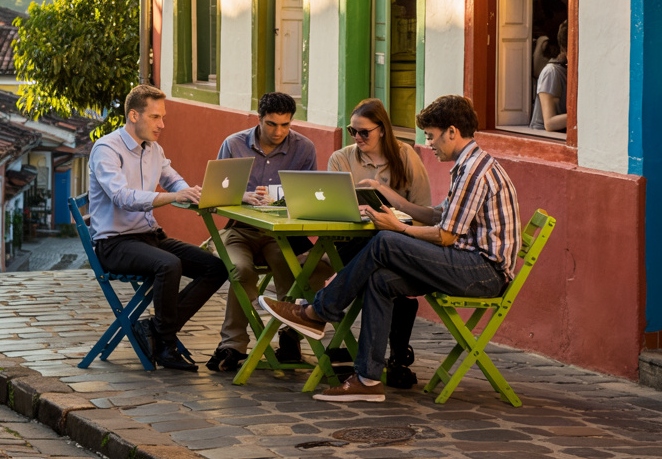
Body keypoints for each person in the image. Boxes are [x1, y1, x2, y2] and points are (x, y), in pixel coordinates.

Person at [261, 94, 521, 403]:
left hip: (480, 272)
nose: (430, 143)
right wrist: (386, 192)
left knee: (384, 240)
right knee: (381, 280)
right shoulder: (468, 166)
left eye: (432, 136)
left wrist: (398, 227)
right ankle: (368, 380)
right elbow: (437, 215)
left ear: (452, 132)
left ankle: (318, 311)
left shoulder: (474, 171)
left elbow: (447, 236)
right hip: (464, 263)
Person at [87, 84, 228, 371]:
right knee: (169, 265)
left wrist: (194, 194)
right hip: (114, 243)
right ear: (134, 116)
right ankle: (165, 344)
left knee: (217, 267)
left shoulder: (154, 148)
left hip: (149, 236)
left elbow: (174, 180)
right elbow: (122, 198)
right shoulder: (106, 149)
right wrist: (173, 197)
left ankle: (153, 328)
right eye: (155, 117)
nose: (162, 124)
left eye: (163, 117)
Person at [206, 91, 317, 373]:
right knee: (241, 270)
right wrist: (242, 196)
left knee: (292, 270)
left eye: (285, 125)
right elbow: (215, 195)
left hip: (279, 234)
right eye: (271, 124)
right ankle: (233, 345)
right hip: (239, 231)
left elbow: (310, 198)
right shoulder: (233, 144)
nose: (279, 131)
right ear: (258, 119)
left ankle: (289, 338)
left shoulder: (304, 148)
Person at [326, 98, 432, 388]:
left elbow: (424, 209)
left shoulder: (405, 156)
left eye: (364, 132)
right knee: (383, 275)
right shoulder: (341, 159)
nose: (357, 138)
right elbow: (331, 211)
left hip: (400, 240)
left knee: (384, 262)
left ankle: (323, 307)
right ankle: (395, 358)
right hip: (351, 241)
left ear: (382, 129)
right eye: (353, 131)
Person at [530, 20, 568, 132]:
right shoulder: (551, 72)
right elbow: (549, 123)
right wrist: (585, 117)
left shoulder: (570, 71)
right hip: (545, 139)